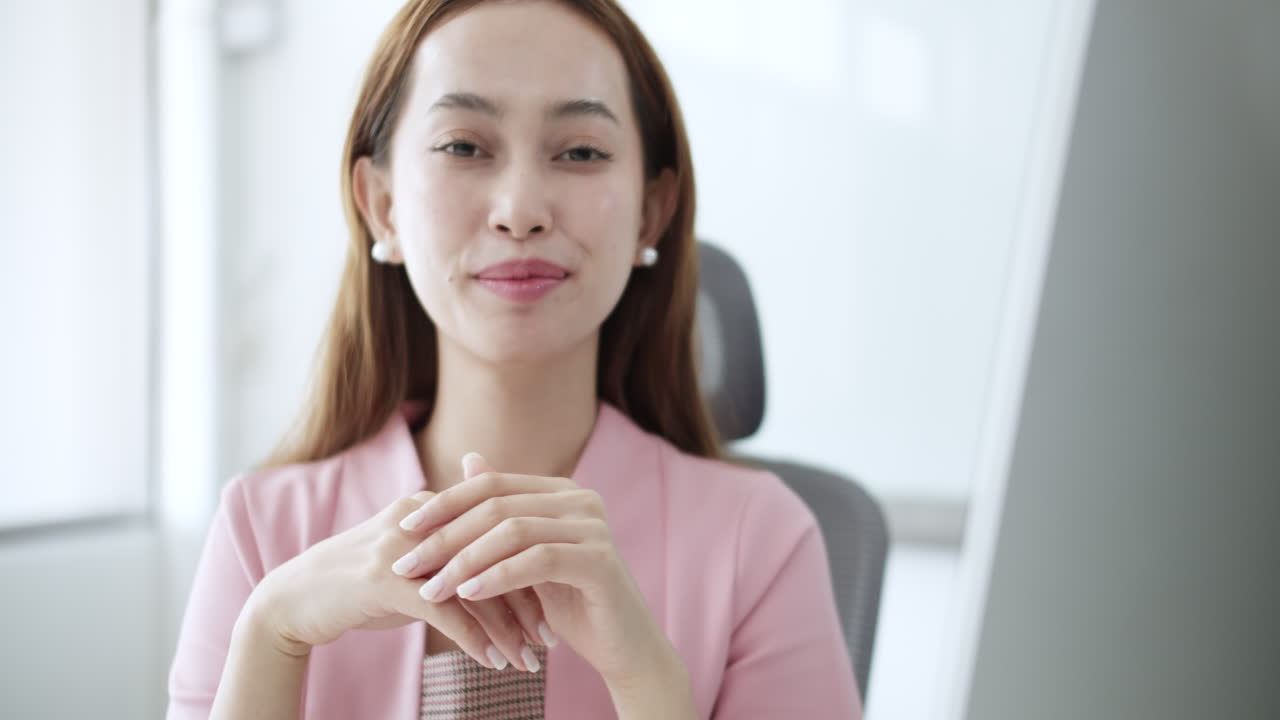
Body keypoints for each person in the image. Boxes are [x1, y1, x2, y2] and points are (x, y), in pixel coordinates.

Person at [166, 0, 862, 717]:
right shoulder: (262, 534)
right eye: (464, 146)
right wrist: (270, 634)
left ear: (652, 212)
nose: (521, 208)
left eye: (581, 151)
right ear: (382, 206)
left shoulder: (762, 542)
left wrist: (649, 681)